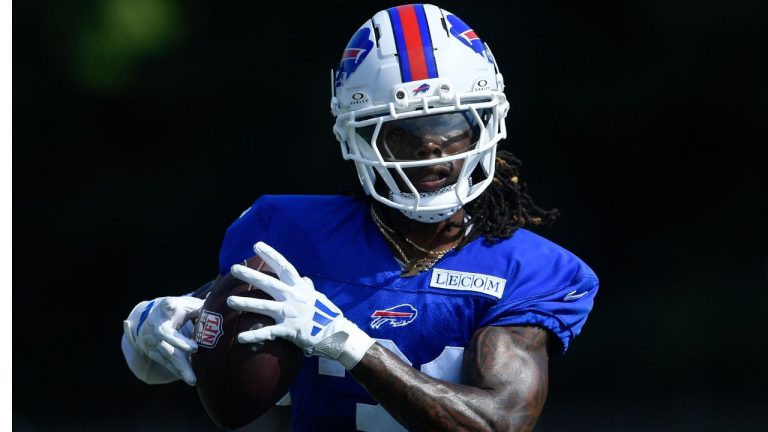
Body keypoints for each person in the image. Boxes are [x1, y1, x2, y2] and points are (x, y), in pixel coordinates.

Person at [121, 3, 599, 431]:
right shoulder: (293, 234)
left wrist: (349, 344)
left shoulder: (527, 270)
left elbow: (498, 425)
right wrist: (145, 333)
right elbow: (203, 340)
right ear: (357, 139)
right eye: (403, 130)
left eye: (451, 124)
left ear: (487, 125)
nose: (430, 145)